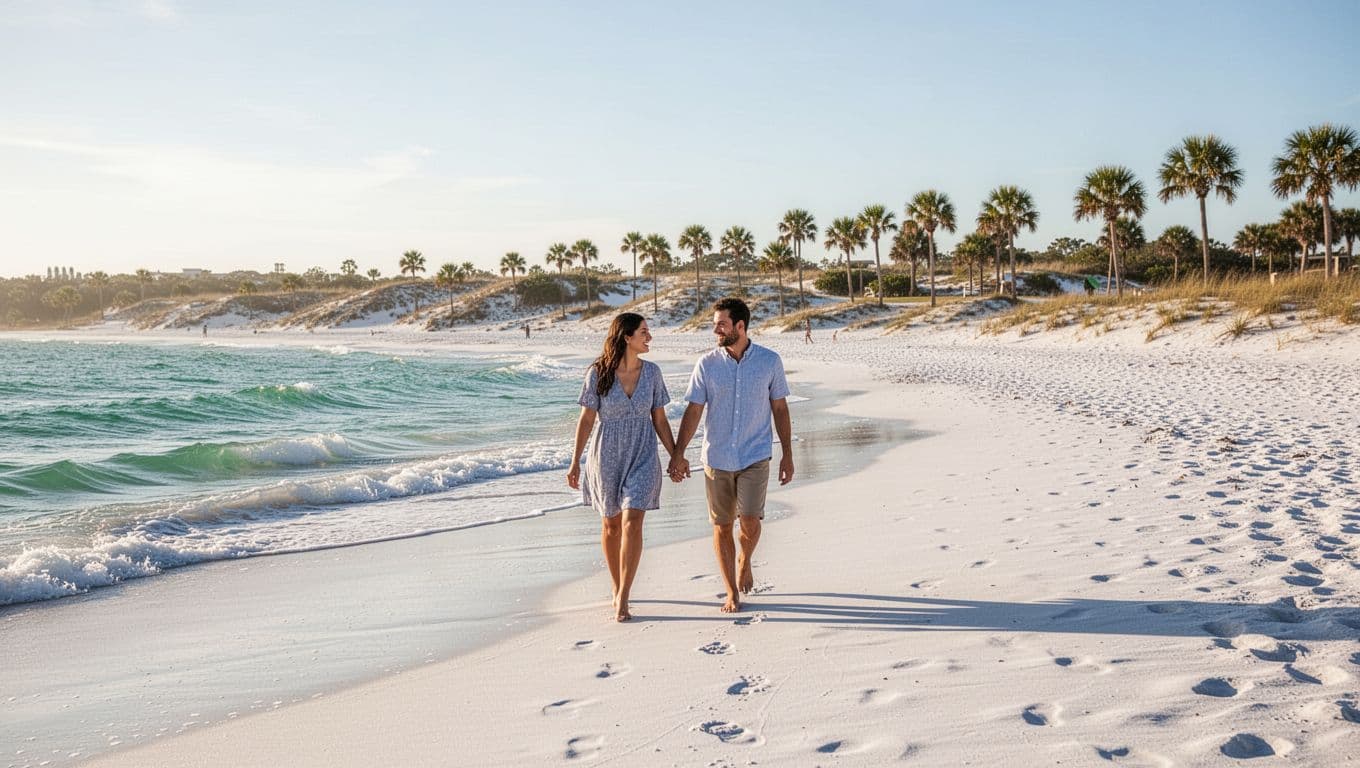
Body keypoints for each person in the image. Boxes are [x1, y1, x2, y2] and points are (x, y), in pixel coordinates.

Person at [669, 298, 793, 613]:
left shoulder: (769, 361)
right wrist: (679, 453)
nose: (715, 329)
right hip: (717, 459)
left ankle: (745, 558)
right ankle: (730, 592)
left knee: (750, 522)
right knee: (722, 525)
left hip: (755, 454)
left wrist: (788, 454)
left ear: (740, 326)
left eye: (721, 323)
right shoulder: (707, 364)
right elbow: (694, 410)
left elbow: (779, 408)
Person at [568, 312, 677, 622]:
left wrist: (676, 455)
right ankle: (616, 586)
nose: (650, 337)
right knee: (611, 524)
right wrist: (575, 461)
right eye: (644, 332)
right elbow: (587, 419)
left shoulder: (653, 373)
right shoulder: (597, 373)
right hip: (605, 456)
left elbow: (660, 419)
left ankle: (624, 597)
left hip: (642, 453)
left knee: (632, 521)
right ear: (627, 337)